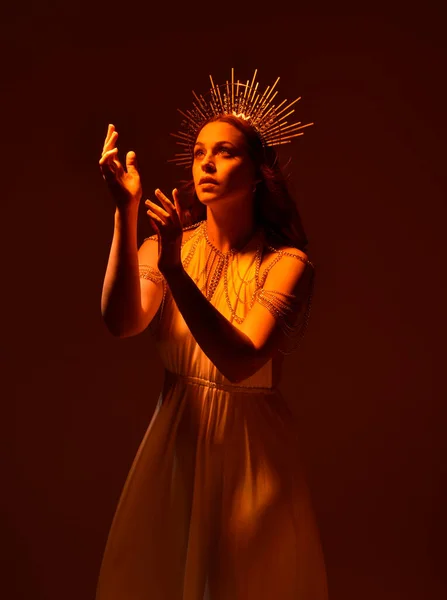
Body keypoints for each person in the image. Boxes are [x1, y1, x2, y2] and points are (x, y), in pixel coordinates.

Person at [96, 70, 329, 600]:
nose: (206, 162)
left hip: (251, 454)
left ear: (258, 173)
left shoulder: (287, 263)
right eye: (200, 151)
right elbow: (120, 322)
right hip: (176, 440)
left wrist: (177, 271)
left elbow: (240, 360)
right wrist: (125, 212)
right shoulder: (170, 245)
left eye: (224, 152)